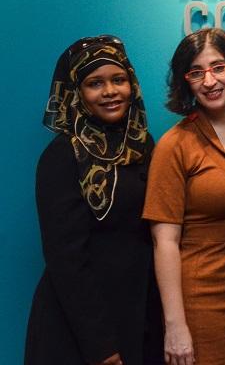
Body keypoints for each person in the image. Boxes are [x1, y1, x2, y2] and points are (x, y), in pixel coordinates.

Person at [142, 28, 225, 365]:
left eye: (219, 67)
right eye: (196, 72)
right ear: (185, 82)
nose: (209, 81)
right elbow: (165, 243)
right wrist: (175, 326)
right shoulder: (175, 146)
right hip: (206, 305)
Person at [25, 35, 160, 365]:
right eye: (94, 83)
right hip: (82, 330)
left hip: (136, 312)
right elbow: (65, 258)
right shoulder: (63, 155)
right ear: (77, 94)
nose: (110, 91)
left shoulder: (143, 146)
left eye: (119, 80)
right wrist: (101, 345)